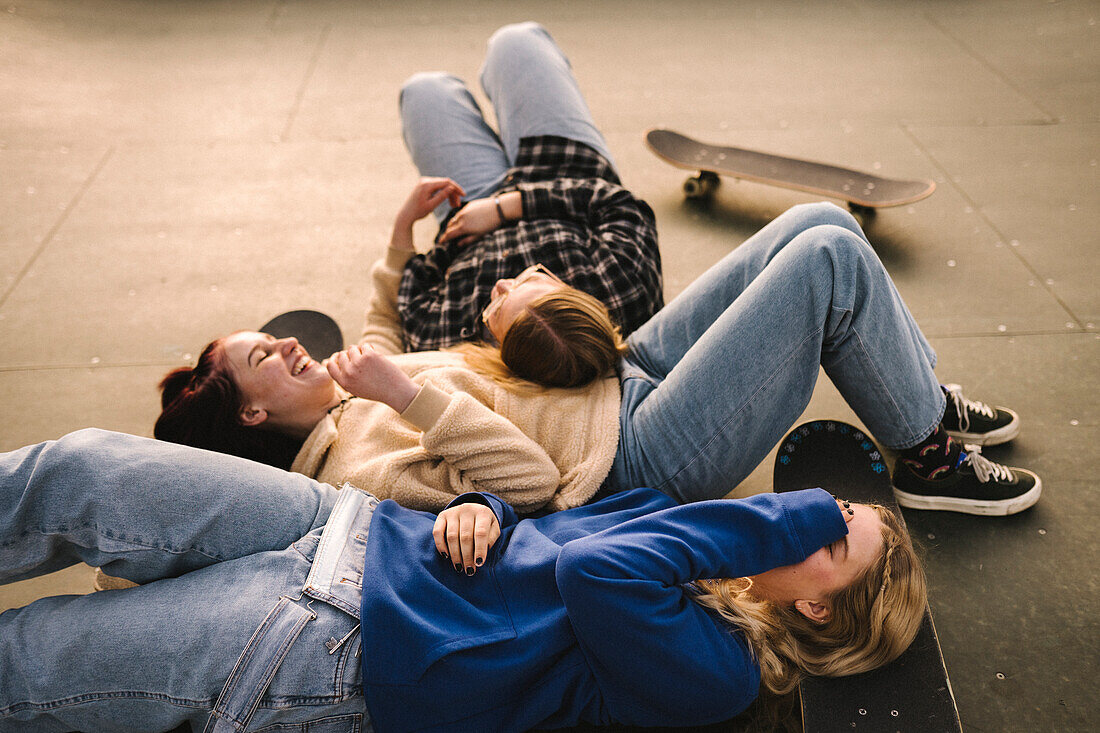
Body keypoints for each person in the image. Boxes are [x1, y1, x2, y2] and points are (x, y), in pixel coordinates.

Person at [158, 198, 1041, 517]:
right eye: (261, 356)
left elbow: (380, 330)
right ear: (253, 414)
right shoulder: (356, 466)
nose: (284, 339)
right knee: (828, 268)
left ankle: (912, 388)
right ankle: (926, 455)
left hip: (618, 379)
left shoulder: (354, 390)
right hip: (634, 456)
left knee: (821, 221)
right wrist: (411, 398)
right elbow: (531, 483)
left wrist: (397, 242)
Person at [0, 429, 927, 732]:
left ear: (815, 601)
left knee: (29, 660)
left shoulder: (718, 673)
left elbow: (598, 571)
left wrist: (781, 515)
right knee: (78, 470)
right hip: (352, 527)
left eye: (840, 529)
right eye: (837, 507)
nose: (822, 507)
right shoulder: (703, 548)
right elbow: (564, 530)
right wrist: (487, 507)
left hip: (337, 639)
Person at [390, 22, 664, 356]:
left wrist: (422, 228)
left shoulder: (455, 345)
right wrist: (508, 207)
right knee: (516, 40)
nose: (502, 283)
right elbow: (619, 205)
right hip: (561, 170)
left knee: (424, 90)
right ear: (571, 292)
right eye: (534, 279)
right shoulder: (619, 290)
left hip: (468, 203)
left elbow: (414, 292)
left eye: (494, 308)